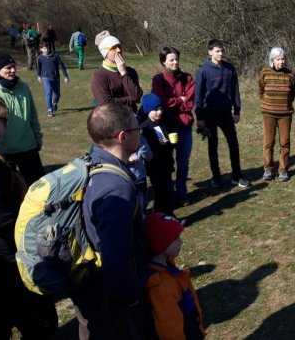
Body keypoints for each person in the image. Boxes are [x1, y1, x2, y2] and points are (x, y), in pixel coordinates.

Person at [71, 103, 149, 340]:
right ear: (123, 137)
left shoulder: (92, 162)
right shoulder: (116, 189)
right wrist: (132, 295)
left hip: (91, 282)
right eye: (138, 129)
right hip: (110, 295)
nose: (141, 132)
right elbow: (116, 254)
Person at [0, 95, 58, 339]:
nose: (6, 126)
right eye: (2, 120)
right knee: (40, 322)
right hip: (6, 259)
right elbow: (0, 219)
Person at [194, 39, 249, 188]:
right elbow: (197, 96)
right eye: (217, 51)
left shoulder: (230, 69)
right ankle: (216, 177)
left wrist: (237, 111)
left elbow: (235, 91)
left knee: (233, 143)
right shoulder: (203, 71)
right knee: (213, 145)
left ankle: (237, 176)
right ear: (210, 52)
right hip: (209, 114)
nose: (221, 53)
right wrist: (199, 117)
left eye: (222, 50)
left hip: (226, 113)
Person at [143, 213, 206, 339]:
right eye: (176, 238)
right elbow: (169, 328)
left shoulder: (168, 268)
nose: (181, 241)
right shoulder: (160, 285)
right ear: (160, 243)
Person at [0, 53, 45, 185]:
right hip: (2, 150)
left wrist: (37, 137)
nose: (13, 70)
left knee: (39, 186)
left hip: (27, 146)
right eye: (8, 68)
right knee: (7, 190)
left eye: (14, 66)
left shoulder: (23, 87)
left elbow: (32, 114)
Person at [152, 47, 195, 206]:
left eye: (177, 59)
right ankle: (168, 195)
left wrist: (175, 102)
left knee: (183, 163)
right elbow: (161, 102)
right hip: (167, 128)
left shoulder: (188, 78)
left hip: (184, 127)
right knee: (167, 163)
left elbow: (189, 103)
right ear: (163, 61)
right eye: (171, 60)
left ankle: (182, 194)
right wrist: (179, 100)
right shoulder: (159, 79)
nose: (175, 62)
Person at [258, 47, 295, 182]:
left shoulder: (290, 74)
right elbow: (261, 90)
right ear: (272, 60)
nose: (281, 62)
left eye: (283, 59)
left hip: (285, 114)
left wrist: (284, 104)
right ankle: (268, 169)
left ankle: (283, 170)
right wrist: (268, 104)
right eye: (278, 59)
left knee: (284, 142)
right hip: (268, 113)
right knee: (268, 142)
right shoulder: (264, 73)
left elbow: (292, 94)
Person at [137, 93, 175, 214]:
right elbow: (144, 149)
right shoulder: (145, 128)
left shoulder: (164, 123)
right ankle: (162, 216)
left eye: (161, 109)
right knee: (160, 192)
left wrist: (171, 141)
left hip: (167, 163)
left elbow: (169, 143)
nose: (159, 112)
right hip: (155, 166)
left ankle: (169, 215)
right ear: (148, 110)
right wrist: (158, 144)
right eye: (155, 110)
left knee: (168, 190)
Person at [91, 30, 143, 112]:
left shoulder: (130, 71)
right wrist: (130, 99)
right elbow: (105, 104)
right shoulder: (99, 75)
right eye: (113, 48)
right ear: (105, 52)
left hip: (132, 117)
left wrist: (124, 73)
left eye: (119, 46)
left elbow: (136, 96)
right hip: (112, 120)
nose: (118, 50)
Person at [36, 40, 70, 117]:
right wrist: (38, 76)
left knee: (57, 94)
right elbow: (38, 68)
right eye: (44, 48)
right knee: (49, 92)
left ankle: (54, 103)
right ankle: (49, 110)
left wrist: (65, 76)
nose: (46, 49)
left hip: (55, 77)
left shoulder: (55, 56)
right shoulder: (40, 58)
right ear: (41, 49)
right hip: (45, 77)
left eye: (47, 48)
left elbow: (62, 66)